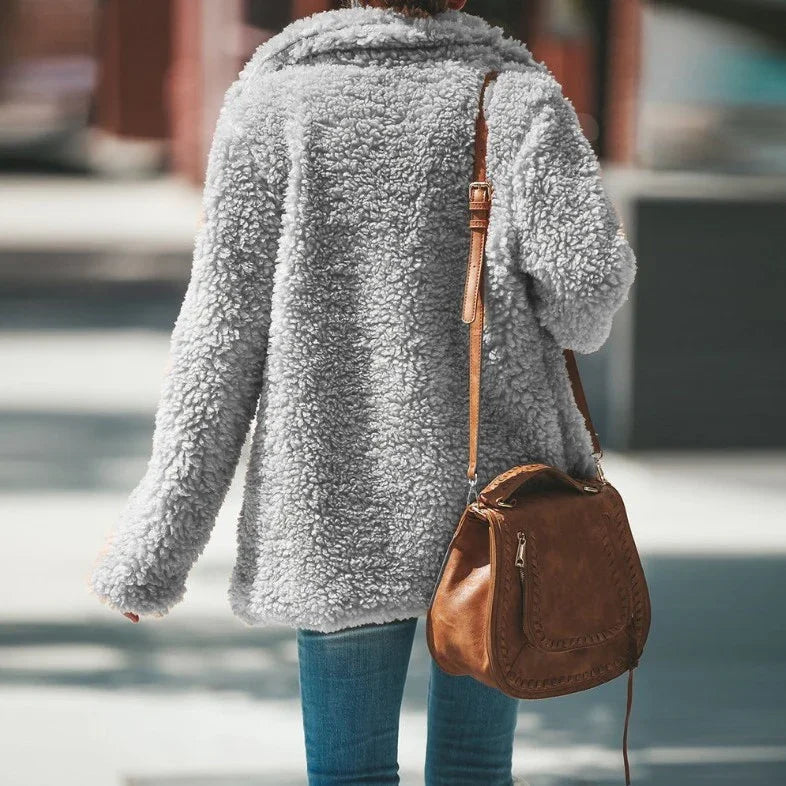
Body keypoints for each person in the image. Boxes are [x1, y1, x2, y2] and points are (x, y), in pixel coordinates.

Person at [89, 1, 637, 783]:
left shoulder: (274, 102)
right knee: (476, 766)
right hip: (495, 504)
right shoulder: (517, 96)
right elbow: (585, 298)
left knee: (348, 774)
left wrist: (157, 546)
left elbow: (218, 338)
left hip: (331, 502)